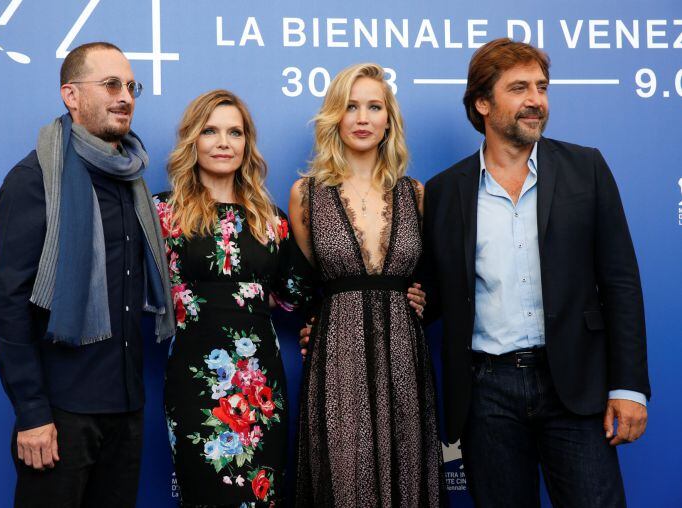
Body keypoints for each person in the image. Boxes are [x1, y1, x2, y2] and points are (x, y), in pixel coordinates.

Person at [420, 38, 650, 507]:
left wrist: (629, 388)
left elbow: (621, 282)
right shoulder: (446, 191)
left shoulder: (586, 168)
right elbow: (433, 295)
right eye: (519, 88)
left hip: (575, 386)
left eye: (542, 88)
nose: (536, 101)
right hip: (487, 394)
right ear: (482, 103)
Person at [0, 42, 173, 508]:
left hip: (127, 409)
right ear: (71, 95)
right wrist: (32, 414)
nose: (125, 96)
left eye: (132, 86)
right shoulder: (34, 180)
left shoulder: (133, 181)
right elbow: (9, 306)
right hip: (60, 415)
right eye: (111, 84)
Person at [290, 63, 445, 507]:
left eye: (374, 107)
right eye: (351, 106)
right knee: (343, 478)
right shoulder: (307, 193)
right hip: (337, 356)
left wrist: (424, 297)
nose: (362, 118)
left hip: (404, 356)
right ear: (334, 116)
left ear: (388, 119)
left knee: (407, 476)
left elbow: (434, 277)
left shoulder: (414, 192)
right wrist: (311, 322)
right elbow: (304, 284)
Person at [154, 89, 313, 506]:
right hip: (194, 383)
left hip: (259, 388)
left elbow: (296, 294)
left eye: (234, 132)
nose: (224, 142)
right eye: (210, 131)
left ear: (247, 143)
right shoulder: (162, 213)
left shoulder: (271, 219)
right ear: (193, 139)